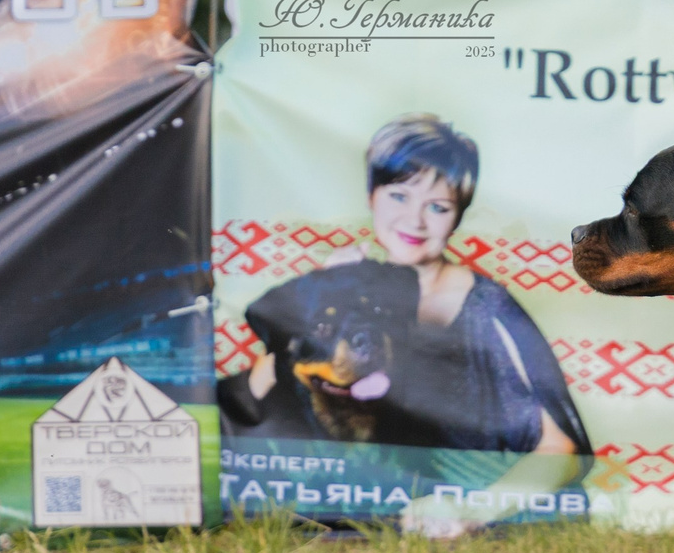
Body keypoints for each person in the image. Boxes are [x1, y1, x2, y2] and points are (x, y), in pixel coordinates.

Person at [231, 115, 589, 463]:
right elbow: (254, 397)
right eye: (399, 196)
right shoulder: (349, 289)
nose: (415, 220)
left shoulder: (485, 306)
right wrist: (325, 291)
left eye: (437, 207)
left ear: (459, 216)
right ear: (371, 196)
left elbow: (561, 450)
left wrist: (469, 502)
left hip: (470, 491)